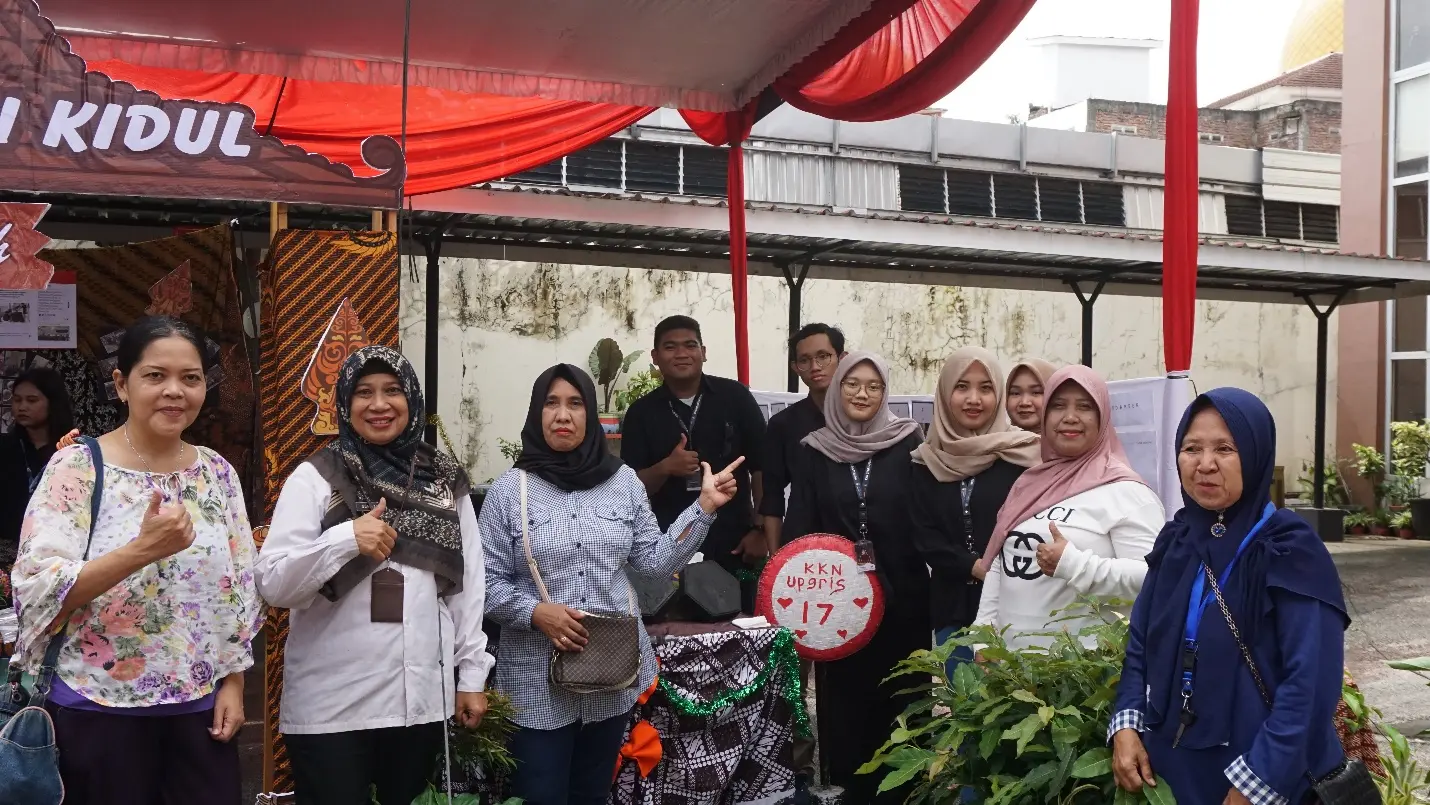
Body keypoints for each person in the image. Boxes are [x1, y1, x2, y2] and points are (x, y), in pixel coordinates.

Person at [10, 316, 261, 805]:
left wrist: (233, 682)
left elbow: (239, 589)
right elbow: (36, 587)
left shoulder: (216, 473)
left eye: (190, 378)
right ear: (122, 385)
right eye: (155, 376)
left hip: (198, 710)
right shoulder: (77, 468)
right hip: (97, 707)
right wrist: (142, 551)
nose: (175, 391)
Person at [482, 364, 744, 805]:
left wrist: (704, 507)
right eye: (551, 403)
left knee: (591, 794)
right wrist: (535, 613)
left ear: (589, 414)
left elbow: (654, 563)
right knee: (539, 795)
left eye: (575, 403)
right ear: (536, 412)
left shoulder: (622, 482)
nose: (562, 415)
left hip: (611, 673)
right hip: (535, 678)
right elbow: (486, 582)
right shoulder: (510, 491)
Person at [255, 346, 492, 805]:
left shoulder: (444, 481)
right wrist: (344, 539)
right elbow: (274, 583)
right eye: (364, 392)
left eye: (392, 391)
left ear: (412, 401)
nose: (379, 404)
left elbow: (468, 589)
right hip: (333, 707)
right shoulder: (316, 477)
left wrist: (471, 677)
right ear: (344, 403)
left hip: (420, 702)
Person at [1110, 388, 1350, 805]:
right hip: (1170, 772)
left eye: (1225, 448)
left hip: (1264, 774)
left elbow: (1309, 685)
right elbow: (1139, 646)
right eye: (1192, 448)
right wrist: (1126, 725)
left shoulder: (1289, 551)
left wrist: (1257, 783)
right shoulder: (1177, 542)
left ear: (1255, 454)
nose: (1205, 464)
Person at [782, 351, 929, 805]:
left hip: (903, 593)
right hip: (839, 599)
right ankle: (855, 789)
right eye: (852, 384)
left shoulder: (908, 440)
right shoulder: (814, 449)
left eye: (873, 386)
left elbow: (923, 514)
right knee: (847, 700)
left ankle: (906, 792)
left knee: (903, 694)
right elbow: (800, 524)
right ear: (837, 388)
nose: (862, 394)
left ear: (885, 392)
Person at [973, 365, 1163, 650]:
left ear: (1102, 417)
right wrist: (983, 639)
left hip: (1082, 671)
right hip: (1009, 668)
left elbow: (1154, 578)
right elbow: (1002, 563)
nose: (1070, 417)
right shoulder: (1029, 483)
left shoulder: (1128, 492)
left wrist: (1074, 565)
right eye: (1058, 406)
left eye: (1084, 407)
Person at [909, 347, 1040, 675]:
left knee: (1012, 698)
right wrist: (972, 566)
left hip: (1014, 603)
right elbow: (922, 533)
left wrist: (994, 571)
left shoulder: (1024, 455)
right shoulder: (926, 461)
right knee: (963, 697)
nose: (974, 399)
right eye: (961, 386)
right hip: (951, 606)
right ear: (945, 393)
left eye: (985, 388)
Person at [758, 322, 846, 802]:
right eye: (805, 359)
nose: (815, 367)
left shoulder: (859, 413)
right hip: (801, 559)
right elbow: (772, 495)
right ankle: (797, 766)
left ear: (841, 357)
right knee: (795, 671)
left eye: (823, 356)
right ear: (795, 366)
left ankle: (847, 757)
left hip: (854, 560)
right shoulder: (785, 425)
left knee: (850, 661)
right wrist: (777, 560)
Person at [620, 315, 767, 578]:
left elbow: (763, 467)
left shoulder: (735, 397)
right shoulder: (641, 413)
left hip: (735, 543)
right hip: (667, 548)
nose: (681, 354)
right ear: (655, 356)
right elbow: (630, 488)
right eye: (670, 347)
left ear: (703, 352)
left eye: (690, 345)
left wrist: (760, 530)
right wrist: (665, 468)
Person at [1, 367, 75, 568]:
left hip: (57, 551)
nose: (22, 407)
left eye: (32, 400)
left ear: (52, 403)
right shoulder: (5, 447)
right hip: (7, 550)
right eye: (17, 400)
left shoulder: (73, 450)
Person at [1005, 358, 1056, 433]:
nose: (1024, 402)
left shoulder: (1066, 439)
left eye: (1036, 392)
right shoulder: (996, 439)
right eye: (1015, 393)